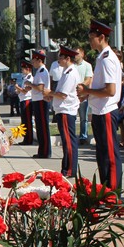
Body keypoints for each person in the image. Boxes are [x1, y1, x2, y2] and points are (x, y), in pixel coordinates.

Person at [77, 20, 123, 191]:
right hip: (99, 111)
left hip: (106, 111)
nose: (90, 41)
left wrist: (87, 90)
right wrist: (87, 94)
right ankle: (105, 190)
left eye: (92, 37)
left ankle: (113, 193)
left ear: (101, 37)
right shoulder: (102, 57)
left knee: (109, 155)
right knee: (102, 154)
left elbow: (110, 90)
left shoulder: (107, 59)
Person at [47, 46, 82, 178]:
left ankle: (70, 169)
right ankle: (66, 167)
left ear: (67, 58)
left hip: (67, 110)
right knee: (66, 141)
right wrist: (51, 96)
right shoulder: (66, 72)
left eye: (60, 58)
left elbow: (63, 94)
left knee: (69, 141)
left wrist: (49, 93)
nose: (58, 61)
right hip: (62, 110)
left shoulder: (71, 73)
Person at [30, 50, 51, 158]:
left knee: (43, 126)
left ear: (39, 60)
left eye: (34, 61)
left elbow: (40, 87)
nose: (32, 63)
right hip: (37, 100)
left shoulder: (43, 71)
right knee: (39, 127)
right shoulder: (39, 71)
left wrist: (30, 84)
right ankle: (42, 150)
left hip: (41, 100)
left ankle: (45, 151)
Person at [74, 47, 94, 144]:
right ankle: (72, 135)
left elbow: (88, 79)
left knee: (83, 117)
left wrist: (81, 88)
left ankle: (83, 136)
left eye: (77, 53)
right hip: (73, 94)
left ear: (82, 54)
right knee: (72, 117)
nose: (75, 55)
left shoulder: (87, 65)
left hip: (83, 94)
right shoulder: (72, 65)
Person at [15, 60, 34, 145]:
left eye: (23, 69)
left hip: (27, 100)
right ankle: (26, 138)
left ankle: (29, 139)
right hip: (23, 100)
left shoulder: (29, 78)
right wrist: (18, 91)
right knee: (24, 121)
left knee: (27, 121)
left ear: (28, 69)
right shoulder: (25, 78)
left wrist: (17, 88)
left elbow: (25, 91)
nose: (22, 71)